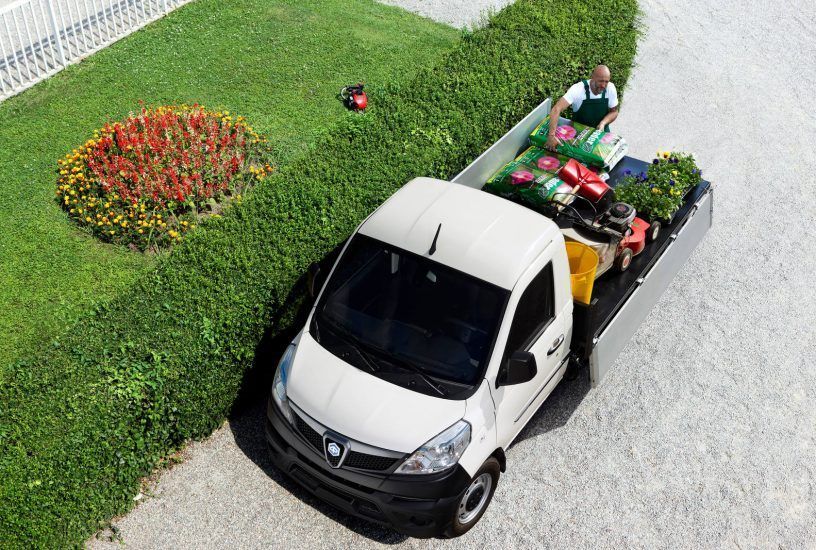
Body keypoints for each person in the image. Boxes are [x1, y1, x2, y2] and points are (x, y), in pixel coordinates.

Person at [545, 65, 619, 151]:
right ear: (592, 77)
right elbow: (556, 109)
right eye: (601, 81)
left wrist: (603, 123)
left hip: (602, 137)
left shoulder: (610, 88)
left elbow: (614, 112)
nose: (603, 85)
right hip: (579, 139)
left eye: (606, 81)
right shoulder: (578, 90)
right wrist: (551, 136)